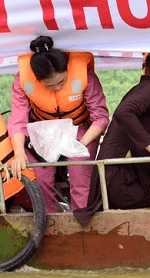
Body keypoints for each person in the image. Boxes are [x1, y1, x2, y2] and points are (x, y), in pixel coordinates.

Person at [74, 53, 150, 226]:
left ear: (147, 68)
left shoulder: (143, 88)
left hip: (117, 179)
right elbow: (123, 112)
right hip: (120, 183)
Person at [8, 36, 109, 213]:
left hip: (79, 129)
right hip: (43, 130)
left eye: (61, 82)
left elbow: (101, 117)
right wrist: (18, 153)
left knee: (80, 172)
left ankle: (82, 221)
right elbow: (18, 120)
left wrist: (80, 145)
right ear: (39, 80)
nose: (56, 88)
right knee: (39, 177)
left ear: (67, 70)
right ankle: (50, 221)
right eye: (49, 85)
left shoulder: (84, 73)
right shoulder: (23, 80)